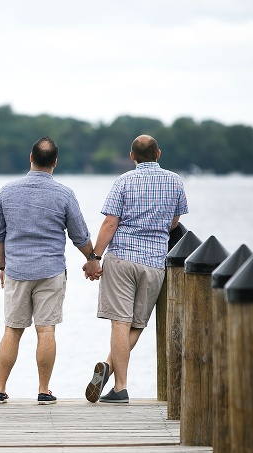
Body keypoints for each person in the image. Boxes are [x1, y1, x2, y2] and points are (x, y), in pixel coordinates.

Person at [0, 136, 97, 405]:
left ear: (31, 158)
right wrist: (92, 259)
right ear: (55, 162)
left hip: (17, 271)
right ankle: (43, 390)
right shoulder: (64, 194)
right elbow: (79, 235)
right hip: (51, 271)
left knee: (12, 330)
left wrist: (3, 266)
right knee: (46, 331)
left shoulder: (6, 192)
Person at [82, 134, 188, 404]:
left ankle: (120, 386)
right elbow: (174, 223)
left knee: (120, 321)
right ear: (158, 154)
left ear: (132, 156)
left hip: (122, 260)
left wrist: (94, 257)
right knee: (137, 323)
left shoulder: (124, 181)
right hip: (154, 263)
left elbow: (110, 224)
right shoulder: (175, 181)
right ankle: (110, 369)